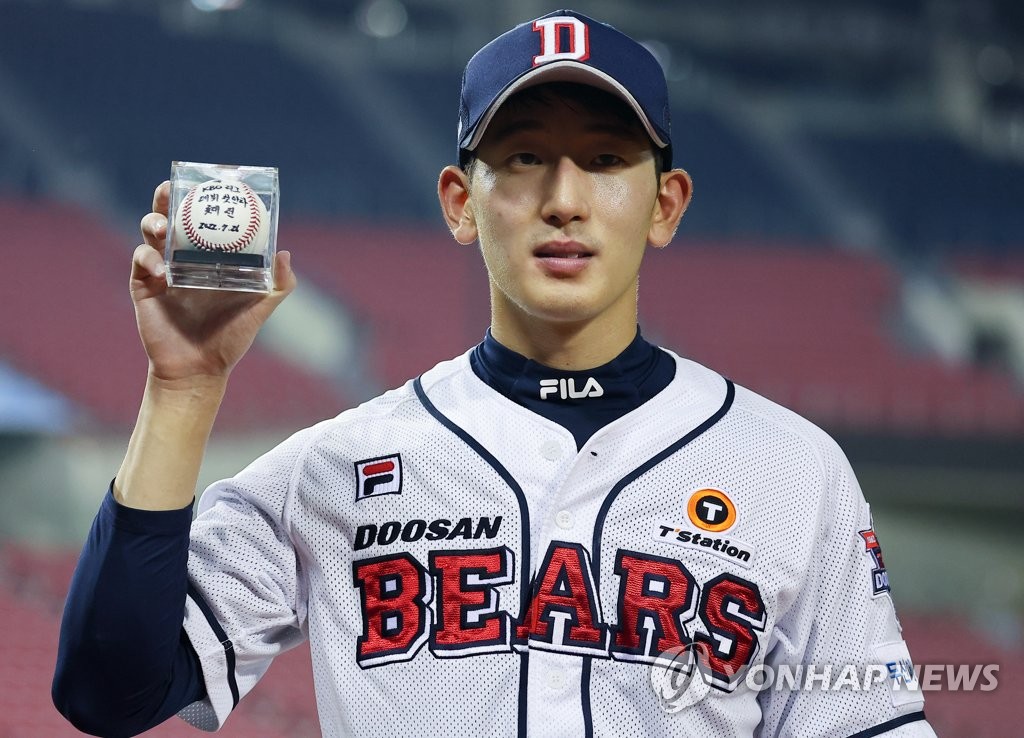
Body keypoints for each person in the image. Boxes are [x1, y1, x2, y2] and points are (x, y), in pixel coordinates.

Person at [53, 9, 937, 737]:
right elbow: (108, 694)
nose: (563, 197)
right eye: (522, 158)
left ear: (665, 204)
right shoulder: (333, 468)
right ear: (459, 202)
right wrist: (184, 388)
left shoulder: (792, 469)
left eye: (604, 159)